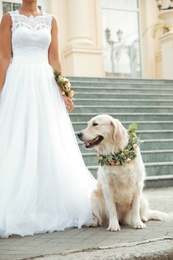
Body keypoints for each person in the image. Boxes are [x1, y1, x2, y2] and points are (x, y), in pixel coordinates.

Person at [0, 0, 96, 238]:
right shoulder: (9, 18)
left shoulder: (52, 20)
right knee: (17, 139)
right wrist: (1, 92)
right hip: (18, 81)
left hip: (44, 84)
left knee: (48, 140)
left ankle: (48, 203)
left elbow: (54, 59)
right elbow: (3, 57)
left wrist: (63, 90)